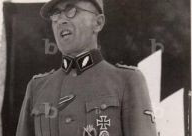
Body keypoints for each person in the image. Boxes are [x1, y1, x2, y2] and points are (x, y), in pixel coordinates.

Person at [16, 0, 157, 136]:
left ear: (98, 23)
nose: (61, 20)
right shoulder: (37, 88)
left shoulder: (126, 81)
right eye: (56, 14)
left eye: (71, 10)